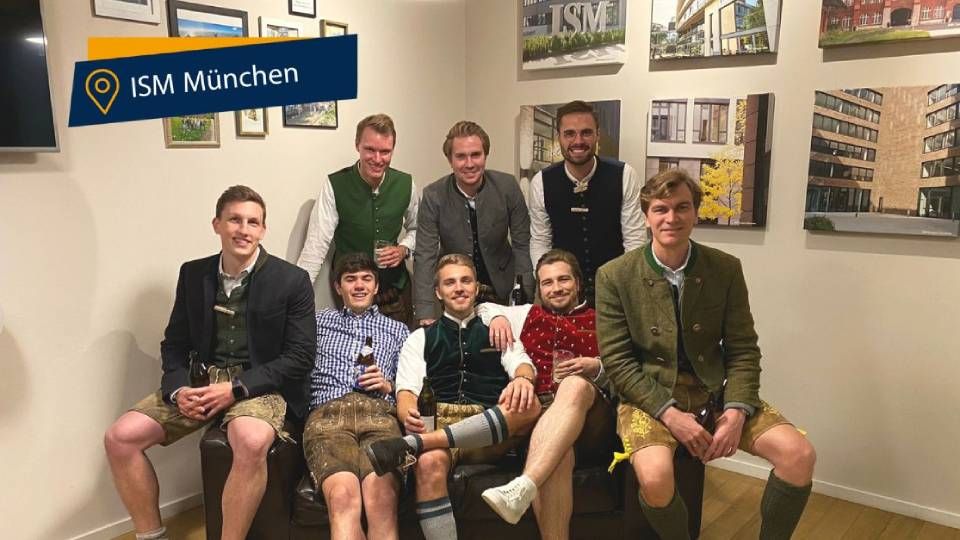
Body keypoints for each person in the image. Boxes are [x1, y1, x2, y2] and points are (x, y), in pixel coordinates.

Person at [595, 169, 816, 540]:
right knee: (655, 476)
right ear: (646, 216)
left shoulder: (725, 268)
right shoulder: (614, 275)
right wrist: (669, 414)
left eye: (682, 207)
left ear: (696, 213)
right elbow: (618, 362)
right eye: (661, 209)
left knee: (799, 455)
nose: (672, 218)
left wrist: (736, 410)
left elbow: (743, 349)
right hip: (647, 398)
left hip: (715, 393)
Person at [104, 186, 315, 540]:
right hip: (199, 384)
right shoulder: (193, 274)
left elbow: (299, 357)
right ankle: (151, 535)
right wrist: (177, 390)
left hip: (258, 386)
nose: (243, 230)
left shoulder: (292, 281)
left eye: (253, 222)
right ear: (217, 224)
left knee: (250, 440)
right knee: (119, 438)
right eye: (234, 220)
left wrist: (236, 389)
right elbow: (175, 344)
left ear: (263, 229)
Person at [365, 254, 541, 540]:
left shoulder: (497, 328)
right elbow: (406, 392)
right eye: (450, 283)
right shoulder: (420, 338)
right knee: (428, 463)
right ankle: (424, 442)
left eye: (465, 281)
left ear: (476, 287)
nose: (459, 288)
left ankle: (416, 444)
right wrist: (409, 415)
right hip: (439, 421)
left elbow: (521, 363)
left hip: (488, 425)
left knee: (531, 404)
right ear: (438, 292)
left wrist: (522, 379)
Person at [473, 249, 615, 538]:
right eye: (547, 282)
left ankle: (524, 483)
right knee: (556, 455)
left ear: (578, 283)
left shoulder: (602, 320)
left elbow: (626, 371)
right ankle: (525, 490)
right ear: (539, 288)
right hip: (543, 418)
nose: (556, 288)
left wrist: (596, 367)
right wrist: (499, 317)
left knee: (574, 384)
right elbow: (482, 307)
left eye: (563, 280)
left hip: (591, 416)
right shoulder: (527, 314)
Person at [303, 252, 409, 540]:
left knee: (381, 497)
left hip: (380, 415)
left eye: (366, 279)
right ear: (338, 287)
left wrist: (389, 385)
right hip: (328, 417)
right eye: (350, 279)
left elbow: (412, 386)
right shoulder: (316, 322)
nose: (359, 285)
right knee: (341, 497)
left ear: (376, 286)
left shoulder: (399, 330)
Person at [298, 113, 418, 326]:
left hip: (396, 292)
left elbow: (418, 229)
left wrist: (404, 248)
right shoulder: (335, 185)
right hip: (353, 294)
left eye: (385, 151)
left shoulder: (405, 183)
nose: (378, 159)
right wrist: (295, 296)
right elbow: (316, 246)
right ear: (357, 145)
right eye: (370, 149)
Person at [414, 120, 532, 326]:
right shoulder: (433, 196)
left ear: (485, 155)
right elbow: (425, 255)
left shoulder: (508, 187)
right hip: (455, 294)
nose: (469, 164)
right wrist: (425, 311)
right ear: (450, 160)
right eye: (460, 156)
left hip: (501, 290)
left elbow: (522, 245)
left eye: (476, 155)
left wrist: (525, 296)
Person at [527, 100, 646, 305]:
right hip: (562, 291)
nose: (578, 141)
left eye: (586, 133)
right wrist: (548, 283)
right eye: (569, 134)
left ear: (597, 135)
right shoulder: (541, 182)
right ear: (559, 137)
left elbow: (634, 239)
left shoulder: (625, 175)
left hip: (616, 287)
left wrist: (625, 287)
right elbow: (540, 240)